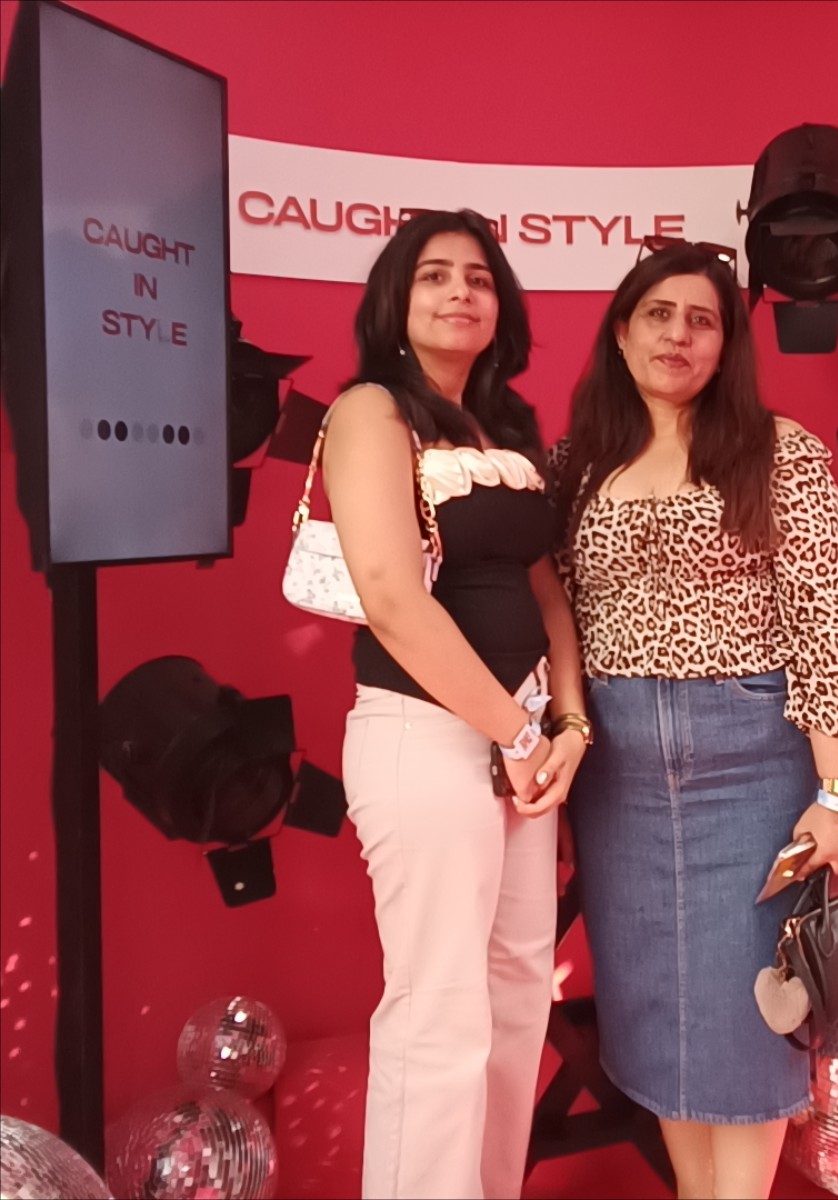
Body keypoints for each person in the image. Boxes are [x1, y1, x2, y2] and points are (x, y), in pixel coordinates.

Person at [549, 241, 838, 1200]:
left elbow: (824, 623)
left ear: (727, 344)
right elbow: (555, 611)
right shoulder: (576, 465)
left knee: (750, 1013)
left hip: (751, 765)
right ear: (621, 331)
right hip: (618, 777)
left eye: (702, 320)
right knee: (658, 1011)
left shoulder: (782, 453)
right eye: (659, 314)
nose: (678, 336)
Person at [321, 209, 589, 1200]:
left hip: (525, 743)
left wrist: (568, 723)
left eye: (478, 279)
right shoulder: (369, 413)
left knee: (518, 999)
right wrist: (515, 731)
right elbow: (392, 599)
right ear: (396, 299)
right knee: (438, 1014)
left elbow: (548, 587)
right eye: (434, 275)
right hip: (425, 736)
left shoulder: (505, 430)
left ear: (500, 306)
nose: (460, 293)